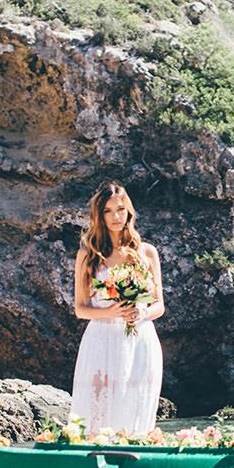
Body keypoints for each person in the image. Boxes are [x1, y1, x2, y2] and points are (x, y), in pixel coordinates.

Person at [70, 181, 165, 435]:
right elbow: (80, 308)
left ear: (129, 212)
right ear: (99, 216)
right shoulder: (88, 254)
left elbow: (159, 305)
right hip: (102, 339)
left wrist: (142, 312)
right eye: (108, 211)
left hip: (140, 338)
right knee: (97, 411)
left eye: (120, 209)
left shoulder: (147, 253)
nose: (116, 216)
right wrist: (110, 313)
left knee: (136, 408)